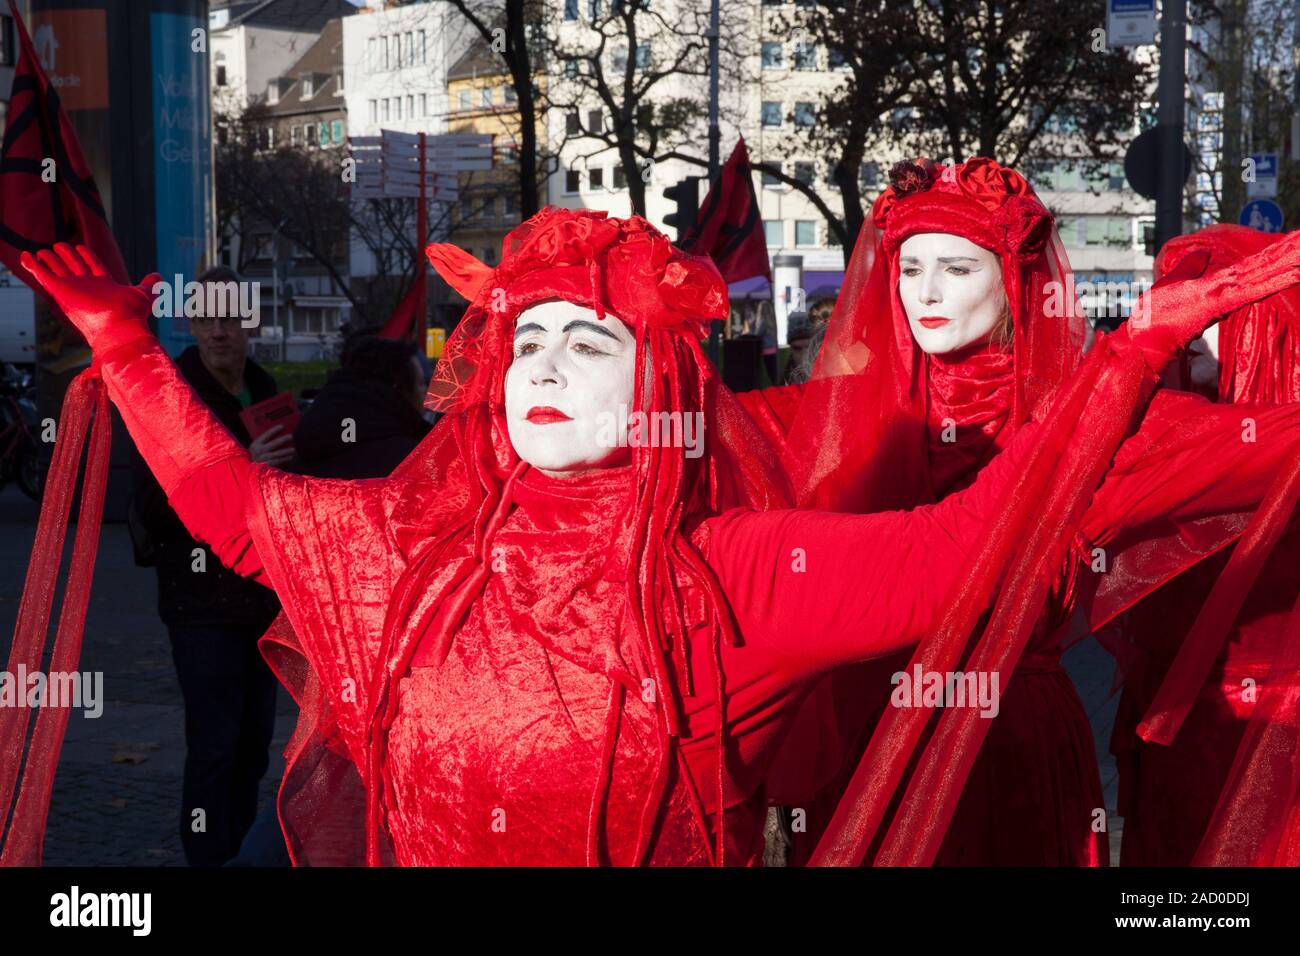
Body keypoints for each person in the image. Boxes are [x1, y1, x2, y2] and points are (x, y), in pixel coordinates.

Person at [8, 206, 1300, 866]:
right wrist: (125, 346)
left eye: (591, 342)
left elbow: (981, 539)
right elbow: (233, 512)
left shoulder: (737, 576)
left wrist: (1122, 364)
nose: (548, 366)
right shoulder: (402, 552)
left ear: (664, 391)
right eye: (528, 343)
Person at [759, 158, 1300, 866]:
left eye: (956, 269)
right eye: (909, 266)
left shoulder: (1094, 415)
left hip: (1008, 751)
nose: (925, 292)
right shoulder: (829, 416)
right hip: (864, 737)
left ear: (1012, 282)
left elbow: (1255, 448)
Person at [1105, 225, 1300, 865]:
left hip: (1266, 737)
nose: (1189, 360)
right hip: (1181, 732)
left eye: (1210, 331)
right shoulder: (1159, 434)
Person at [126, 264, 289, 867]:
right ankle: (208, 857)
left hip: (262, 596)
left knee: (253, 749)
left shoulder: (266, 388)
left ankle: (240, 855)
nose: (218, 332)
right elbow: (149, 502)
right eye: (206, 319)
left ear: (250, 323)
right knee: (215, 746)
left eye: (230, 319)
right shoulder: (174, 395)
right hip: (200, 602)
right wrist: (243, 462)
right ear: (191, 323)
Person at [292, 335, 431, 480]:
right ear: (400, 389)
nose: (427, 392)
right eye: (421, 383)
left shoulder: (304, 452)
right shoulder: (412, 462)